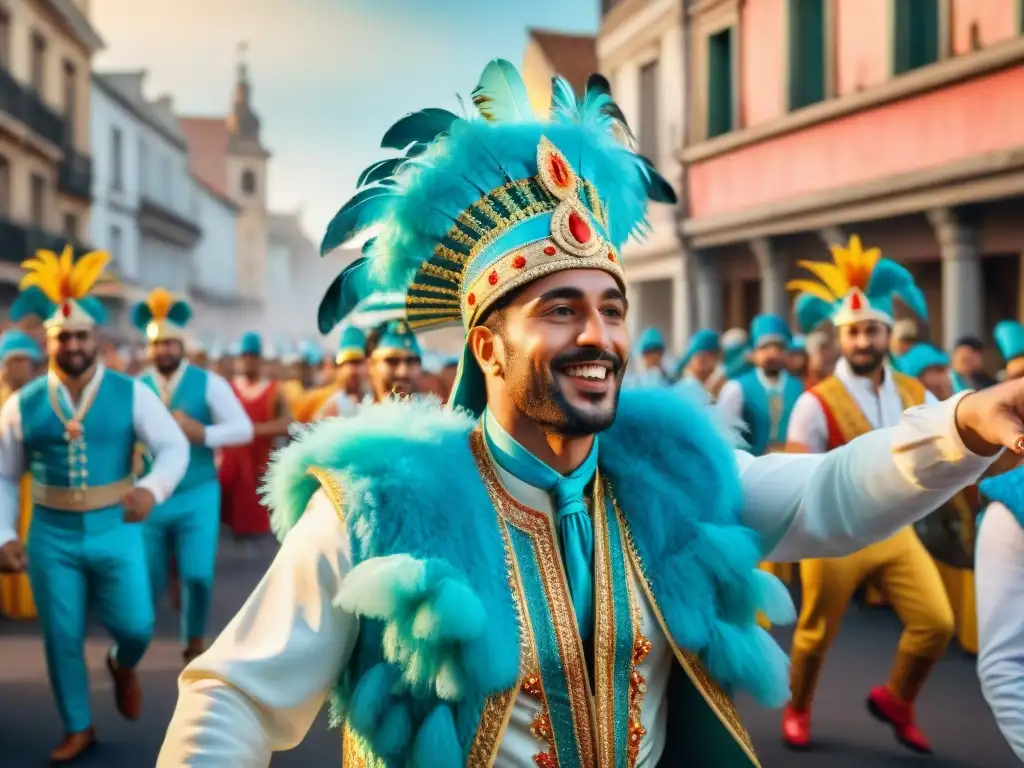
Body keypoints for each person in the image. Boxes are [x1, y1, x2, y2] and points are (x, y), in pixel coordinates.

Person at [157, 60, 1017, 767]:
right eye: (561, 309)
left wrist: (966, 423)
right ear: (487, 348)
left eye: (611, 308)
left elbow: (826, 495)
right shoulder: (388, 506)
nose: (599, 335)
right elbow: (234, 696)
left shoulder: (666, 476)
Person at [0, 246, 189, 763]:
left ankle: (122, 662)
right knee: (61, 637)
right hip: (51, 534)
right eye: (63, 337)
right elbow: (4, 475)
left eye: (82, 335)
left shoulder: (132, 393)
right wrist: (5, 534)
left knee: (137, 626)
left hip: (117, 528)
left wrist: (152, 489)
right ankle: (78, 726)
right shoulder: (21, 404)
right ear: (48, 341)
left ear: (96, 339)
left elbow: (174, 448)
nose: (74, 345)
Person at [782, 235, 957, 753]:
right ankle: (798, 707)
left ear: (887, 335)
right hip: (836, 533)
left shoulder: (916, 393)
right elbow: (795, 476)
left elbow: (942, 450)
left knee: (937, 622)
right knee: (815, 633)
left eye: (872, 331)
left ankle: (898, 699)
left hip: (896, 529)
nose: (862, 341)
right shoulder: (815, 403)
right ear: (841, 338)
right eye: (853, 332)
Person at [132, 288, 254, 663]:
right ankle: (134, 643)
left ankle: (195, 637)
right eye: (158, 344)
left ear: (182, 345)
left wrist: (204, 434)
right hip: (153, 495)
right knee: (150, 579)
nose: (164, 350)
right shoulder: (137, 386)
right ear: (149, 348)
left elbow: (244, 428)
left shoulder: (208, 383)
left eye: (170, 343)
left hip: (198, 491)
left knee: (198, 574)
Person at [218, 332, 291, 541]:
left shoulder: (274, 391)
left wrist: (251, 431)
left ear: (260, 360)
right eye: (245, 357)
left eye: (253, 357)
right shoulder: (227, 389)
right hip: (230, 474)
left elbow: (287, 424)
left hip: (259, 473)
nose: (249, 361)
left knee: (260, 538)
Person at [717, 314, 805, 457]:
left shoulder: (799, 388)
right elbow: (725, 436)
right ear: (754, 352)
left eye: (779, 348)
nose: (772, 354)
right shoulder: (737, 388)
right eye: (765, 348)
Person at [0, 328, 43, 620]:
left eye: (22, 361)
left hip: (32, 482)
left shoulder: (38, 399)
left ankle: (31, 601)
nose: (16, 368)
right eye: (11, 361)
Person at [317, 325, 369, 419]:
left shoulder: (372, 398)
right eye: (348, 363)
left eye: (357, 362)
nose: (352, 370)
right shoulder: (333, 408)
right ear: (339, 369)